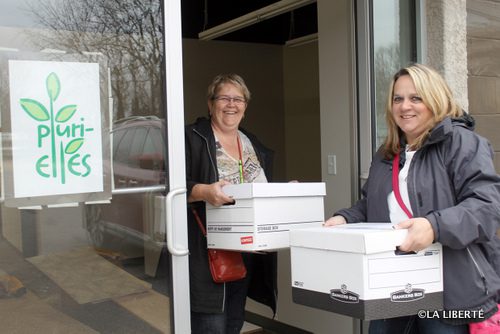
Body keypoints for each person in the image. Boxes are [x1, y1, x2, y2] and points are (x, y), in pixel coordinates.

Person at [325, 63, 500, 333]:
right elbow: (372, 204)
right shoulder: (387, 153)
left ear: (435, 99)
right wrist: (346, 218)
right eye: (398, 98)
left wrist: (434, 226)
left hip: (449, 291)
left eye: (415, 97)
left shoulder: (463, 143)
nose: (405, 106)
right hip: (390, 285)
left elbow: (485, 208)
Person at [185, 73, 277, 334]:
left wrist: (280, 194)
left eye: (238, 99)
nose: (231, 104)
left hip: (244, 251)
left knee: (234, 323)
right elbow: (170, 185)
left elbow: (259, 191)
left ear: (245, 107)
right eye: (224, 98)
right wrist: (203, 191)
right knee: (211, 324)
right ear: (210, 103)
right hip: (207, 252)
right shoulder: (192, 138)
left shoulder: (250, 143)